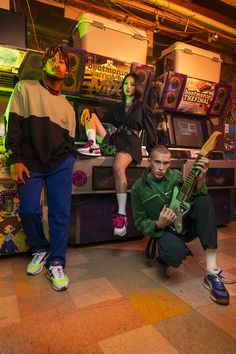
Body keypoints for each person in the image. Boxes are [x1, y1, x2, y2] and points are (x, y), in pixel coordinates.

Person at [4, 45, 77, 291]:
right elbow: (12, 125)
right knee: (29, 211)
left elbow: (70, 140)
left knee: (59, 213)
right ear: (44, 64)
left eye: (63, 61)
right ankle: (40, 249)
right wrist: (15, 158)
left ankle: (56, 261)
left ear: (67, 70)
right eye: (53, 59)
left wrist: (69, 159)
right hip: (30, 161)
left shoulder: (68, 105)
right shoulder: (25, 88)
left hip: (60, 164)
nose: (58, 63)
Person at [131, 144, 230, 305]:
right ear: (149, 161)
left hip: (184, 222)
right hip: (164, 230)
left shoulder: (176, 175)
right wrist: (158, 224)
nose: (162, 168)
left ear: (170, 163)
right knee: (174, 254)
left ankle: (212, 271)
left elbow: (196, 196)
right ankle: (166, 253)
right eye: (157, 162)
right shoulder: (138, 189)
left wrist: (202, 178)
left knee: (204, 201)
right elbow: (140, 222)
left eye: (166, 163)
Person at [77, 73, 157, 237]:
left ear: (137, 88)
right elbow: (102, 120)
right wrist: (87, 112)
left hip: (130, 142)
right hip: (115, 139)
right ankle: (92, 145)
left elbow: (151, 131)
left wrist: (153, 154)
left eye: (132, 84)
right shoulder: (117, 107)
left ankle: (122, 215)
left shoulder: (143, 108)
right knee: (91, 116)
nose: (128, 87)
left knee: (118, 167)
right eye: (126, 84)